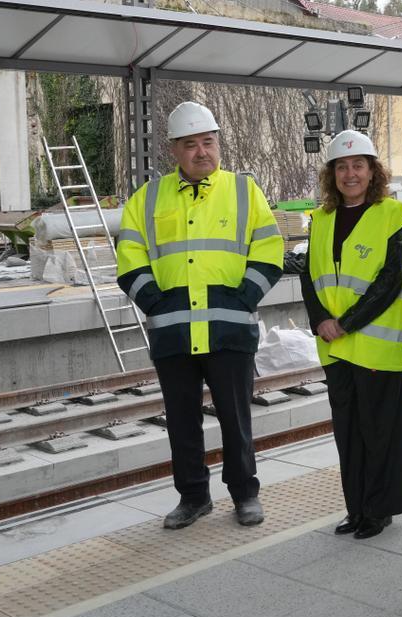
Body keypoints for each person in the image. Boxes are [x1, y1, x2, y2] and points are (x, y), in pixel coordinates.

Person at [116, 101, 283, 530]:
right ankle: (193, 497)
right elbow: (129, 259)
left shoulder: (245, 191)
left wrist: (243, 298)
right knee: (182, 421)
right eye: (190, 145)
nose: (201, 152)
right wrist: (156, 303)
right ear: (173, 150)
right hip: (173, 331)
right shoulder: (147, 198)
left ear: (218, 144)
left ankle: (245, 494)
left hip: (229, 329)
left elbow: (269, 251)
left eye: (208, 142)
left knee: (236, 418)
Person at [300, 130, 402, 540]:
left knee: (379, 432)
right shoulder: (321, 220)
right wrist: (321, 321)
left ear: (373, 172)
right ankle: (356, 508)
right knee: (348, 433)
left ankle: (378, 510)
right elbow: (309, 278)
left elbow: (389, 282)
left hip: (374, 345)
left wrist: (345, 322)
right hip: (334, 346)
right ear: (332, 174)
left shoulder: (392, 216)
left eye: (358, 165)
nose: (350, 173)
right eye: (342, 166)